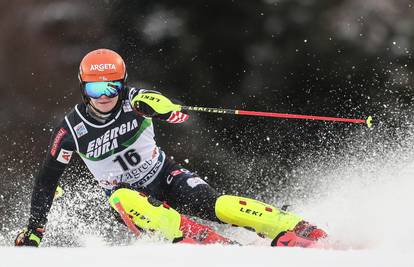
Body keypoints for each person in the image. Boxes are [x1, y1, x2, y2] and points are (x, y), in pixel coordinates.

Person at [15, 48, 327, 247]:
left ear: (122, 84)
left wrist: (165, 109)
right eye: (96, 88)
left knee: (216, 205)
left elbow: (160, 104)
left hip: (166, 176)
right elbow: (47, 179)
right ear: (84, 89)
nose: (105, 95)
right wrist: (35, 228)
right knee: (123, 195)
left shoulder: (133, 102)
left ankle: (291, 226)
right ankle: (188, 234)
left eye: (112, 86)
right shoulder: (71, 131)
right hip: (130, 200)